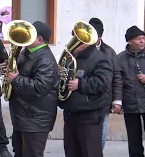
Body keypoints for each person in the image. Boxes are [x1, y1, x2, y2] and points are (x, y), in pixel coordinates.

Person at [6, 21, 59, 157]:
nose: (25, 37)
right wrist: (8, 69)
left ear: (39, 40)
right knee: (19, 151)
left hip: (35, 120)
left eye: (30, 35)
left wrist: (16, 79)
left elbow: (40, 87)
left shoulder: (45, 60)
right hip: (24, 116)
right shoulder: (27, 52)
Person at [58, 26, 113, 157]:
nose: (75, 43)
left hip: (90, 115)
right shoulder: (71, 57)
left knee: (90, 152)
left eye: (80, 41)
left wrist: (80, 84)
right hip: (71, 113)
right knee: (71, 152)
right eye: (74, 39)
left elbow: (103, 83)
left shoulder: (101, 58)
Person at [88, 17, 123, 150]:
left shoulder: (109, 52)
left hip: (104, 101)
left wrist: (117, 101)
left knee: (100, 135)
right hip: (85, 101)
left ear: (100, 36)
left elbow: (117, 76)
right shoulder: (79, 49)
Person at [117, 26, 145, 157]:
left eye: (143, 38)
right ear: (129, 41)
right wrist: (117, 101)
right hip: (130, 103)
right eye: (138, 39)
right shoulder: (120, 58)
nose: (142, 41)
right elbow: (117, 82)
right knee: (134, 138)